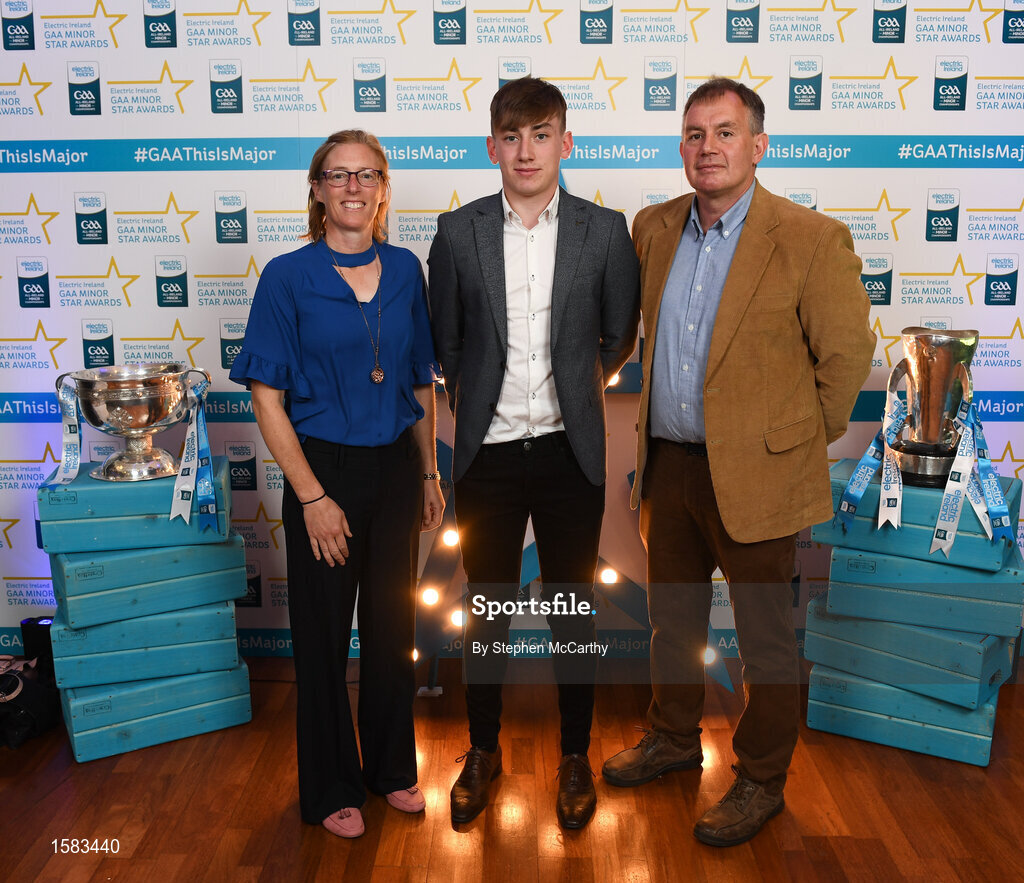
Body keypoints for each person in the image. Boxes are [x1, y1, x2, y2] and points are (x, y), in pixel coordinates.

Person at [601, 78, 875, 847]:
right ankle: (673, 737)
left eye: (725, 132)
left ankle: (761, 776)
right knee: (672, 619)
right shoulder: (653, 227)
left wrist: (789, 445)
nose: (708, 147)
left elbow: (845, 358)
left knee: (765, 638)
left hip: (760, 475)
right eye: (695, 134)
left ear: (759, 145)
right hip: (670, 467)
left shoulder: (811, 238)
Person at [428, 76, 640, 829]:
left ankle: (574, 754)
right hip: (486, 454)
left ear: (565, 143)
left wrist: (573, 391)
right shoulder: (457, 232)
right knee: (485, 609)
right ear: (492, 146)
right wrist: (483, 399)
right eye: (512, 137)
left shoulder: (604, 231)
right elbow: (448, 343)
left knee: (572, 612)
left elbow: (618, 337)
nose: (527, 151)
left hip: (568, 451)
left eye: (541, 135)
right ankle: (483, 750)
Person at [229, 129, 445, 839]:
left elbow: (420, 380)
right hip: (322, 469)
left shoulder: (406, 269)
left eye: (367, 174)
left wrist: (429, 471)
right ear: (318, 190)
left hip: (396, 466)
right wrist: (313, 497)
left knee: (392, 628)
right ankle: (330, 788)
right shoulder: (287, 277)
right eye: (338, 174)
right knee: (323, 637)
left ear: (383, 189)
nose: (353, 187)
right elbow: (266, 398)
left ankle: (390, 768)